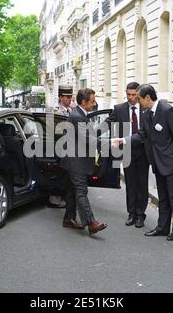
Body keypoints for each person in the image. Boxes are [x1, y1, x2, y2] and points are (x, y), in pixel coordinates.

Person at [113, 84, 173, 241]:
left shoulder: (167, 111)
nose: (137, 101)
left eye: (139, 98)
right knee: (163, 198)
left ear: (147, 98)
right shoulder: (147, 114)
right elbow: (141, 135)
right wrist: (123, 140)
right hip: (158, 163)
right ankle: (162, 227)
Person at [60, 88, 108, 235]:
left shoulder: (79, 114)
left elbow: (90, 134)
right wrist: (110, 142)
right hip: (76, 161)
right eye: (92, 101)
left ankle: (68, 219)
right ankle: (91, 223)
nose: (95, 103)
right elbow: (88, 139)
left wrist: (108, 123)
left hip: (72, 160)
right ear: (83, 102)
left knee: (72, 190)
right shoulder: (78, 116)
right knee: (81, 191)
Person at [105, 82, 149, 228]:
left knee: (142, 184)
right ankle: (132, 213)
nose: (131, 98)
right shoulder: (119, 109)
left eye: (133, 95)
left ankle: (140, 214)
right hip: (127, 151)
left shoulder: (146, 108)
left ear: (138, 94)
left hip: (143, 152)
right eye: (128, 94)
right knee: (130, 183)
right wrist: (90, 133)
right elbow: (107, 123)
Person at [48, 85, 75, 208]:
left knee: (67, 174)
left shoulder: (70, 110)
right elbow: (59, 131)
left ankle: (65, 196)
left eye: (70, 96)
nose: (70, 99)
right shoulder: (56, 111)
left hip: (69, 147)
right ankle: (55, 199)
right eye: (67, 97)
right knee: (59, 173)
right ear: (61, 97)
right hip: (60, 147)